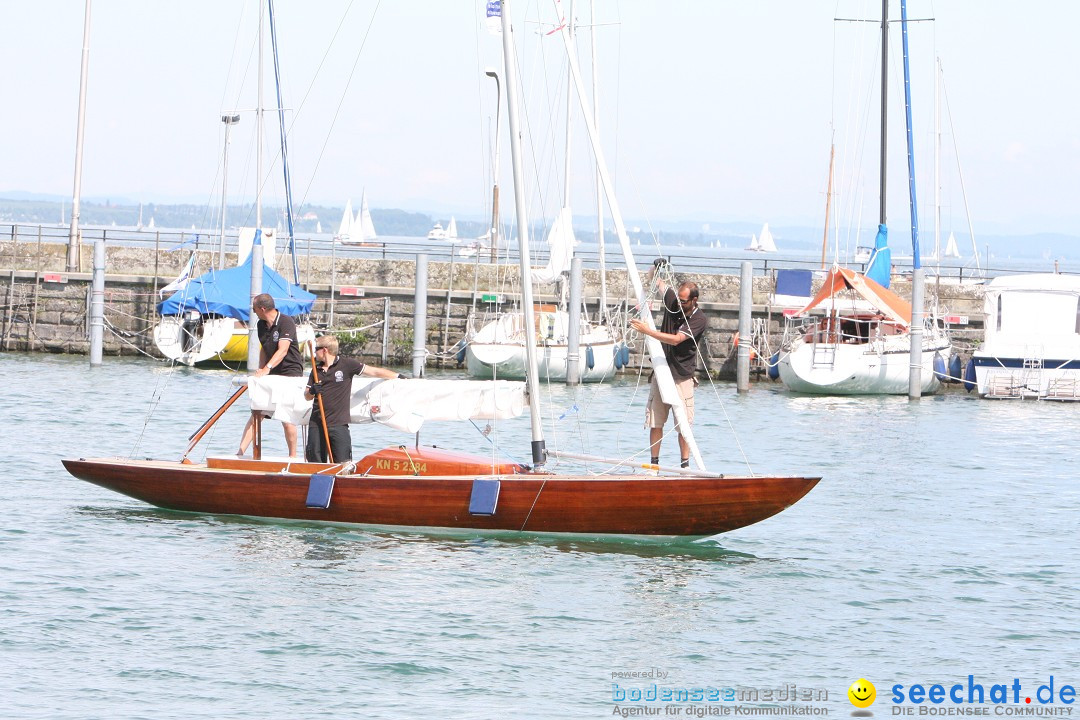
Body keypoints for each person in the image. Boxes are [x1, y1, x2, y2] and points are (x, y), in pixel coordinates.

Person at [628, 259, 707, 468]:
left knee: (684, 426)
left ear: (694, 300)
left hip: (683, 376)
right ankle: (654, 465)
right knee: (655, 421)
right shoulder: (673, 301)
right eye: (679, 299)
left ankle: (685, 466)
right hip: (662, 371)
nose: (679, 304)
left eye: (684, 301)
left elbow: (676, 339)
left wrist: (647, 331)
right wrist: (657, 267)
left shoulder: (699, 319)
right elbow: (655, 279)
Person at [304, 335, 404, 463]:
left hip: (338, 423)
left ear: (325, 350)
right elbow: (307, 396)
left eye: (316, 349)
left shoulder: (346, 364)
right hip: (317, 423)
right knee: (315, 461)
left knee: (343, 462)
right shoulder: (315, 370)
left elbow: (373, 371)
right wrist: (312, 390)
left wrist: (398, 376)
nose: (314, 353)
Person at [237, 293, 305, 458]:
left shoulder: (286, 321)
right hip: (271, 372)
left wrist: (267, 368)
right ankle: (239, 453)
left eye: (254, 309)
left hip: (290, 373)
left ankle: (293, 456)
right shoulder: (261, 324)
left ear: (262, 308)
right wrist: (260, 371)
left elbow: (283, 350)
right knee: (258, 412)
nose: (253, 312)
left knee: (286, 417)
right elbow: (264, 349)